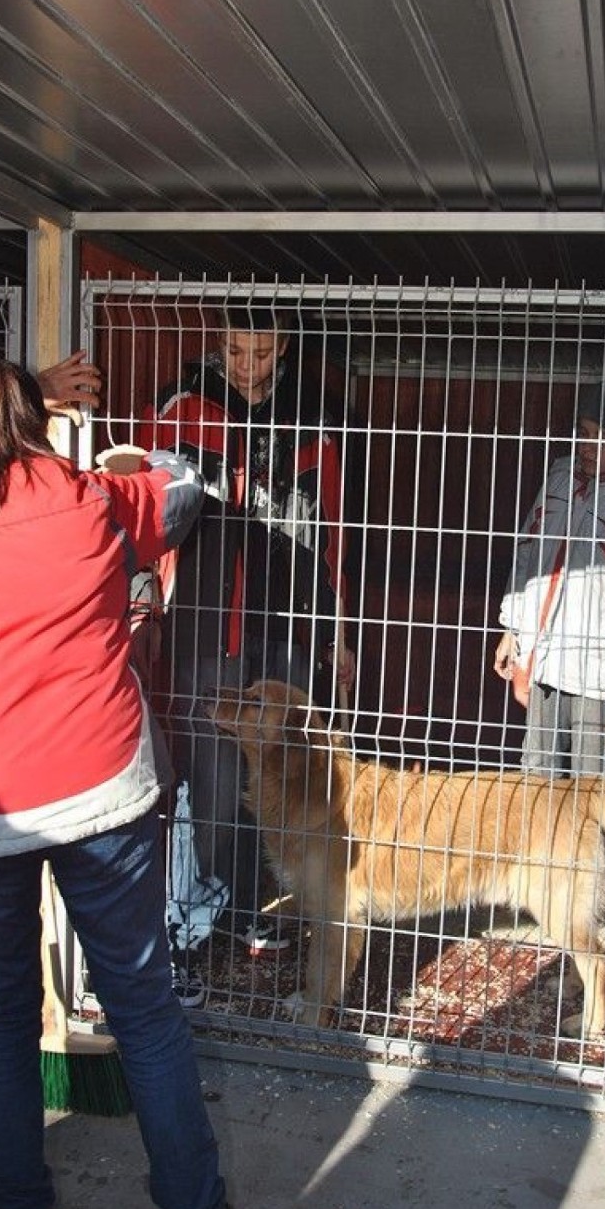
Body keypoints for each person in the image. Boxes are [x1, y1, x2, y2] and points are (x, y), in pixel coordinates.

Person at [0, 358, 234, 1209]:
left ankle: (15, 1207)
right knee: (145, 1011)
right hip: (103, 794)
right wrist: (135, 455)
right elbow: (188, 487)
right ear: (36, 420)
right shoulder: (93, 501)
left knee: (0, 1018)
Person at [137, 302, 355, 1001]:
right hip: (207, 615)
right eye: (235, 351)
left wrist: (337, 631)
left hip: (288, 615)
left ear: (283, 348)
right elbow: (145, 506)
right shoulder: (183, 406)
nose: (246, 367)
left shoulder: (313, 414)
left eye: (260, 354)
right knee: (213, 775)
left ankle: (267, 904)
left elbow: (337, 530)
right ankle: (209, 916)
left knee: (288, 769)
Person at [493, 373, 605, 777]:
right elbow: (530, 554)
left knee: (593, 794)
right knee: (537, 784)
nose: (586, 446)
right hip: (545, 663)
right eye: (583, 432)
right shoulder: (562, 477)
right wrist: (513, 629)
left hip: (599, 680)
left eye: (601, 435)